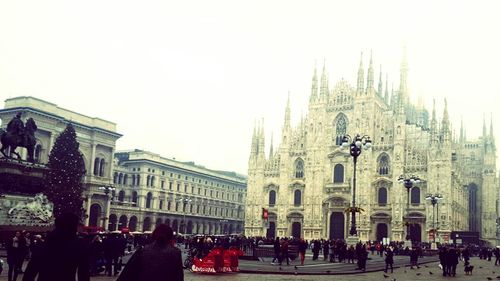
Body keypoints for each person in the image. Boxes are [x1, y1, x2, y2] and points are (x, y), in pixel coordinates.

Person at [22, 213, 90, 281]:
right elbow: (84, 275)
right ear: (73, 227)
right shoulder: (79, 246)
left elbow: (30, 273)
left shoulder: (45, 244)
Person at [117, 224, 183, 281]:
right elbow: (178, 277)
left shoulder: (142, 251)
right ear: (170, 237)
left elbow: (126, 275)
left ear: (154, 235)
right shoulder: (176, 253)